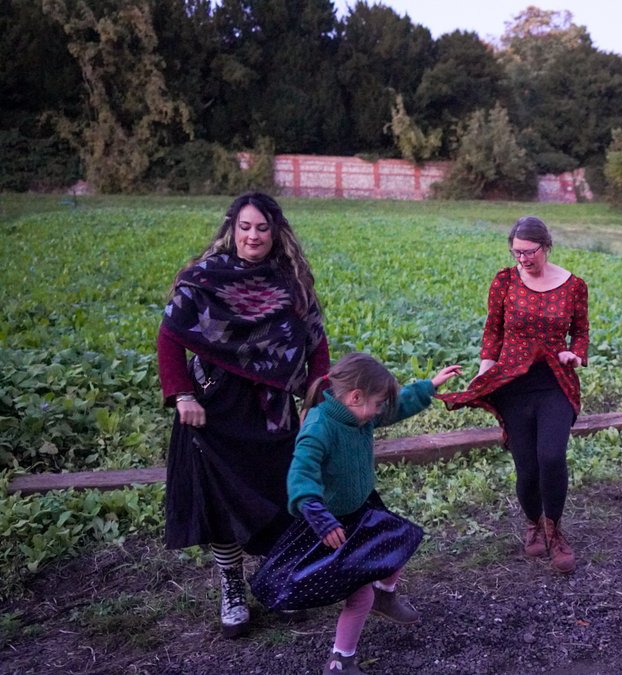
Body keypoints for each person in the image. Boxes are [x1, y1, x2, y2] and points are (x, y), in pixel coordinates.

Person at [157, 192, 330, 638]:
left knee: (280, 495)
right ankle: (232, 586)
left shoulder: (292, 285)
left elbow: (317, 344)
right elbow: (170, 336)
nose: (253, 236)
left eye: (262, 228)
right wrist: (181, 396)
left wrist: (317, 392)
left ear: (276, 233)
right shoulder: (205, 279)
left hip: (272, 410)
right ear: (233, 228)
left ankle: (279, 579)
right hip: (214, 410)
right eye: (246, 227)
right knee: (221, 501)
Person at [250, 352, 460, 675]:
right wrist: (317, 514)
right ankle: (340, 659)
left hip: (363, 509)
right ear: (355, 396)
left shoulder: (360, 414)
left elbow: (396, 406)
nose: (379, 412)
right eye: (376, 404)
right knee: (358, 595)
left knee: (397, 544)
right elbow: (300, 474)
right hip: (331, 527)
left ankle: (385, 597)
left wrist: (428, 386)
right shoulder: (320, 428)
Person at [438, 216, 589, 574]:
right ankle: (533, 523)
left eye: (529, 252)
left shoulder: (574, 286)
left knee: (551, 456)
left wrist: (575, 354)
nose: (522, 259)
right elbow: (493, 329)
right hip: (512, 384)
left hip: (555, 382)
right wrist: (485, 368)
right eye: (516, 252)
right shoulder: (505, 281)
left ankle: (555, 532)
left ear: (546, 246)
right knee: (527, 465)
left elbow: (580, 331)